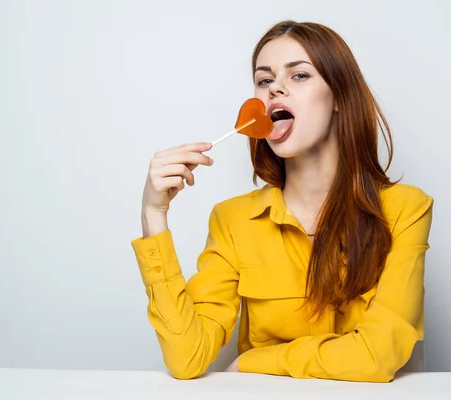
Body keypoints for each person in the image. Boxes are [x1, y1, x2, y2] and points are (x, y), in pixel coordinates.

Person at [131, 20, 434, 383]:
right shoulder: (232, 220)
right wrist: (154, 214)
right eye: (264, 80)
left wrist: (256, 361)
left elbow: (377, 356)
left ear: (338, 96)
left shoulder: (405, 210)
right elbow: (187, 357)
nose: (275, 88)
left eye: (299, 76)